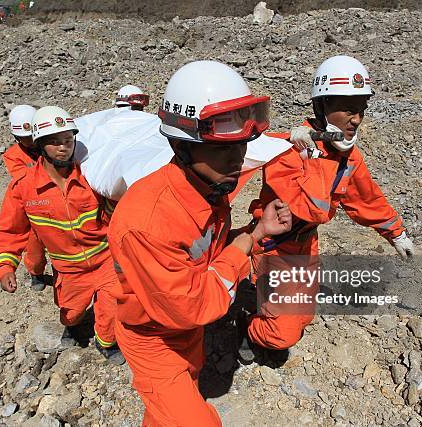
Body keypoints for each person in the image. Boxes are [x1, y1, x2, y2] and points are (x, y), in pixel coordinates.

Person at [108, 60, 292, 426]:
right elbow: (194, 304)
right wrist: (244, 248)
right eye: (224, 150)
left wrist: (255, 232)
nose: (237, 159)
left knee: (172, 408)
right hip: (153, 339)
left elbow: (206, 255)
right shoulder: (149, 222)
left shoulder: (208, 187)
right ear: (181, 145)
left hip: (183, 330)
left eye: (241, 146)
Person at [241, 55, 415, 362]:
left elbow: (366, 199)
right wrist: (313, 155)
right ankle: (246, 329)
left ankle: (266, 309)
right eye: (348, 108)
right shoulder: (287, 151)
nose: (357, 118)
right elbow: (311, 208)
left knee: (303, 315)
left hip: (306, 244)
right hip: (274, 248)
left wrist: (396, 233)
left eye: (361, 108)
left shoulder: (348, 156)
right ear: (321, 107)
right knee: (282, 333)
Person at [0, 106, 124, 364]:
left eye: (68, 140)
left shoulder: (92, 175)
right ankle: (72, 326)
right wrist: (5, 266)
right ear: (39, 146)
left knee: (114, 303)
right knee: (72, 313)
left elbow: (114, 208)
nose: (64, 147)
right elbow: (9, 230)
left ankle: (106, 342)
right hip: (69, 269)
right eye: (54, 143)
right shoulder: (25, 188)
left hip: (105, 260)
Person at [2, 105, 48, 291]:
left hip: (58, 205)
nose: (29, 141)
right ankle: (36, 273)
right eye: (24, 139)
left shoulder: (50, 143)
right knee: (34, 251)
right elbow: (25, 181)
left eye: (31, 137)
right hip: (34, 208)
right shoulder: (13, 156)